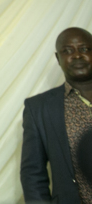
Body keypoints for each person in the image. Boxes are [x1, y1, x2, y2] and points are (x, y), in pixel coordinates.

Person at [21, 26, 92, 204]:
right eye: (67, 51)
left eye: (84, 49)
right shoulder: (38, 108)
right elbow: (33, 174)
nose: (77, 56)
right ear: (58, 58)